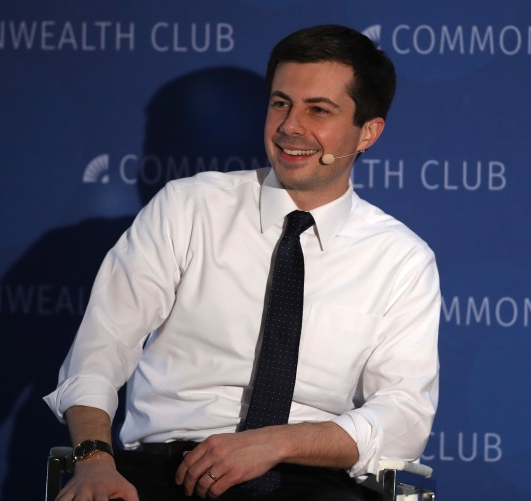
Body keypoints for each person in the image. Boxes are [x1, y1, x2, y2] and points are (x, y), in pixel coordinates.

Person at [44, 24, 440, 501]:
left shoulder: (400, 259)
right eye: (280, 103)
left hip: (307, 481)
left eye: (319, 110)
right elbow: (100, 349)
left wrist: (275, 442)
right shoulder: (188, 208)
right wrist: (93, 462)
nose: (291, 126)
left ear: (368, 133)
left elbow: (403, 416)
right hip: (166, 470)